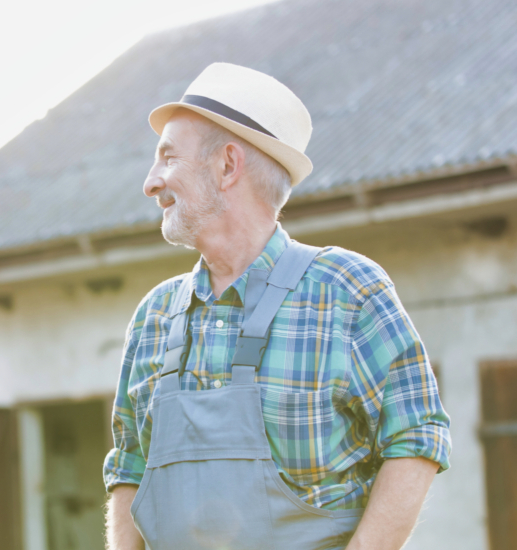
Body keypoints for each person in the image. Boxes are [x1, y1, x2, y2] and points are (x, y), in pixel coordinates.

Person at [102, 63, 452, 550]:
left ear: (227, 165)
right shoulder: (154, 316)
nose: (150, 182)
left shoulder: (345, 290)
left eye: (168, 158)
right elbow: (129, 467)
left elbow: (415, 434)